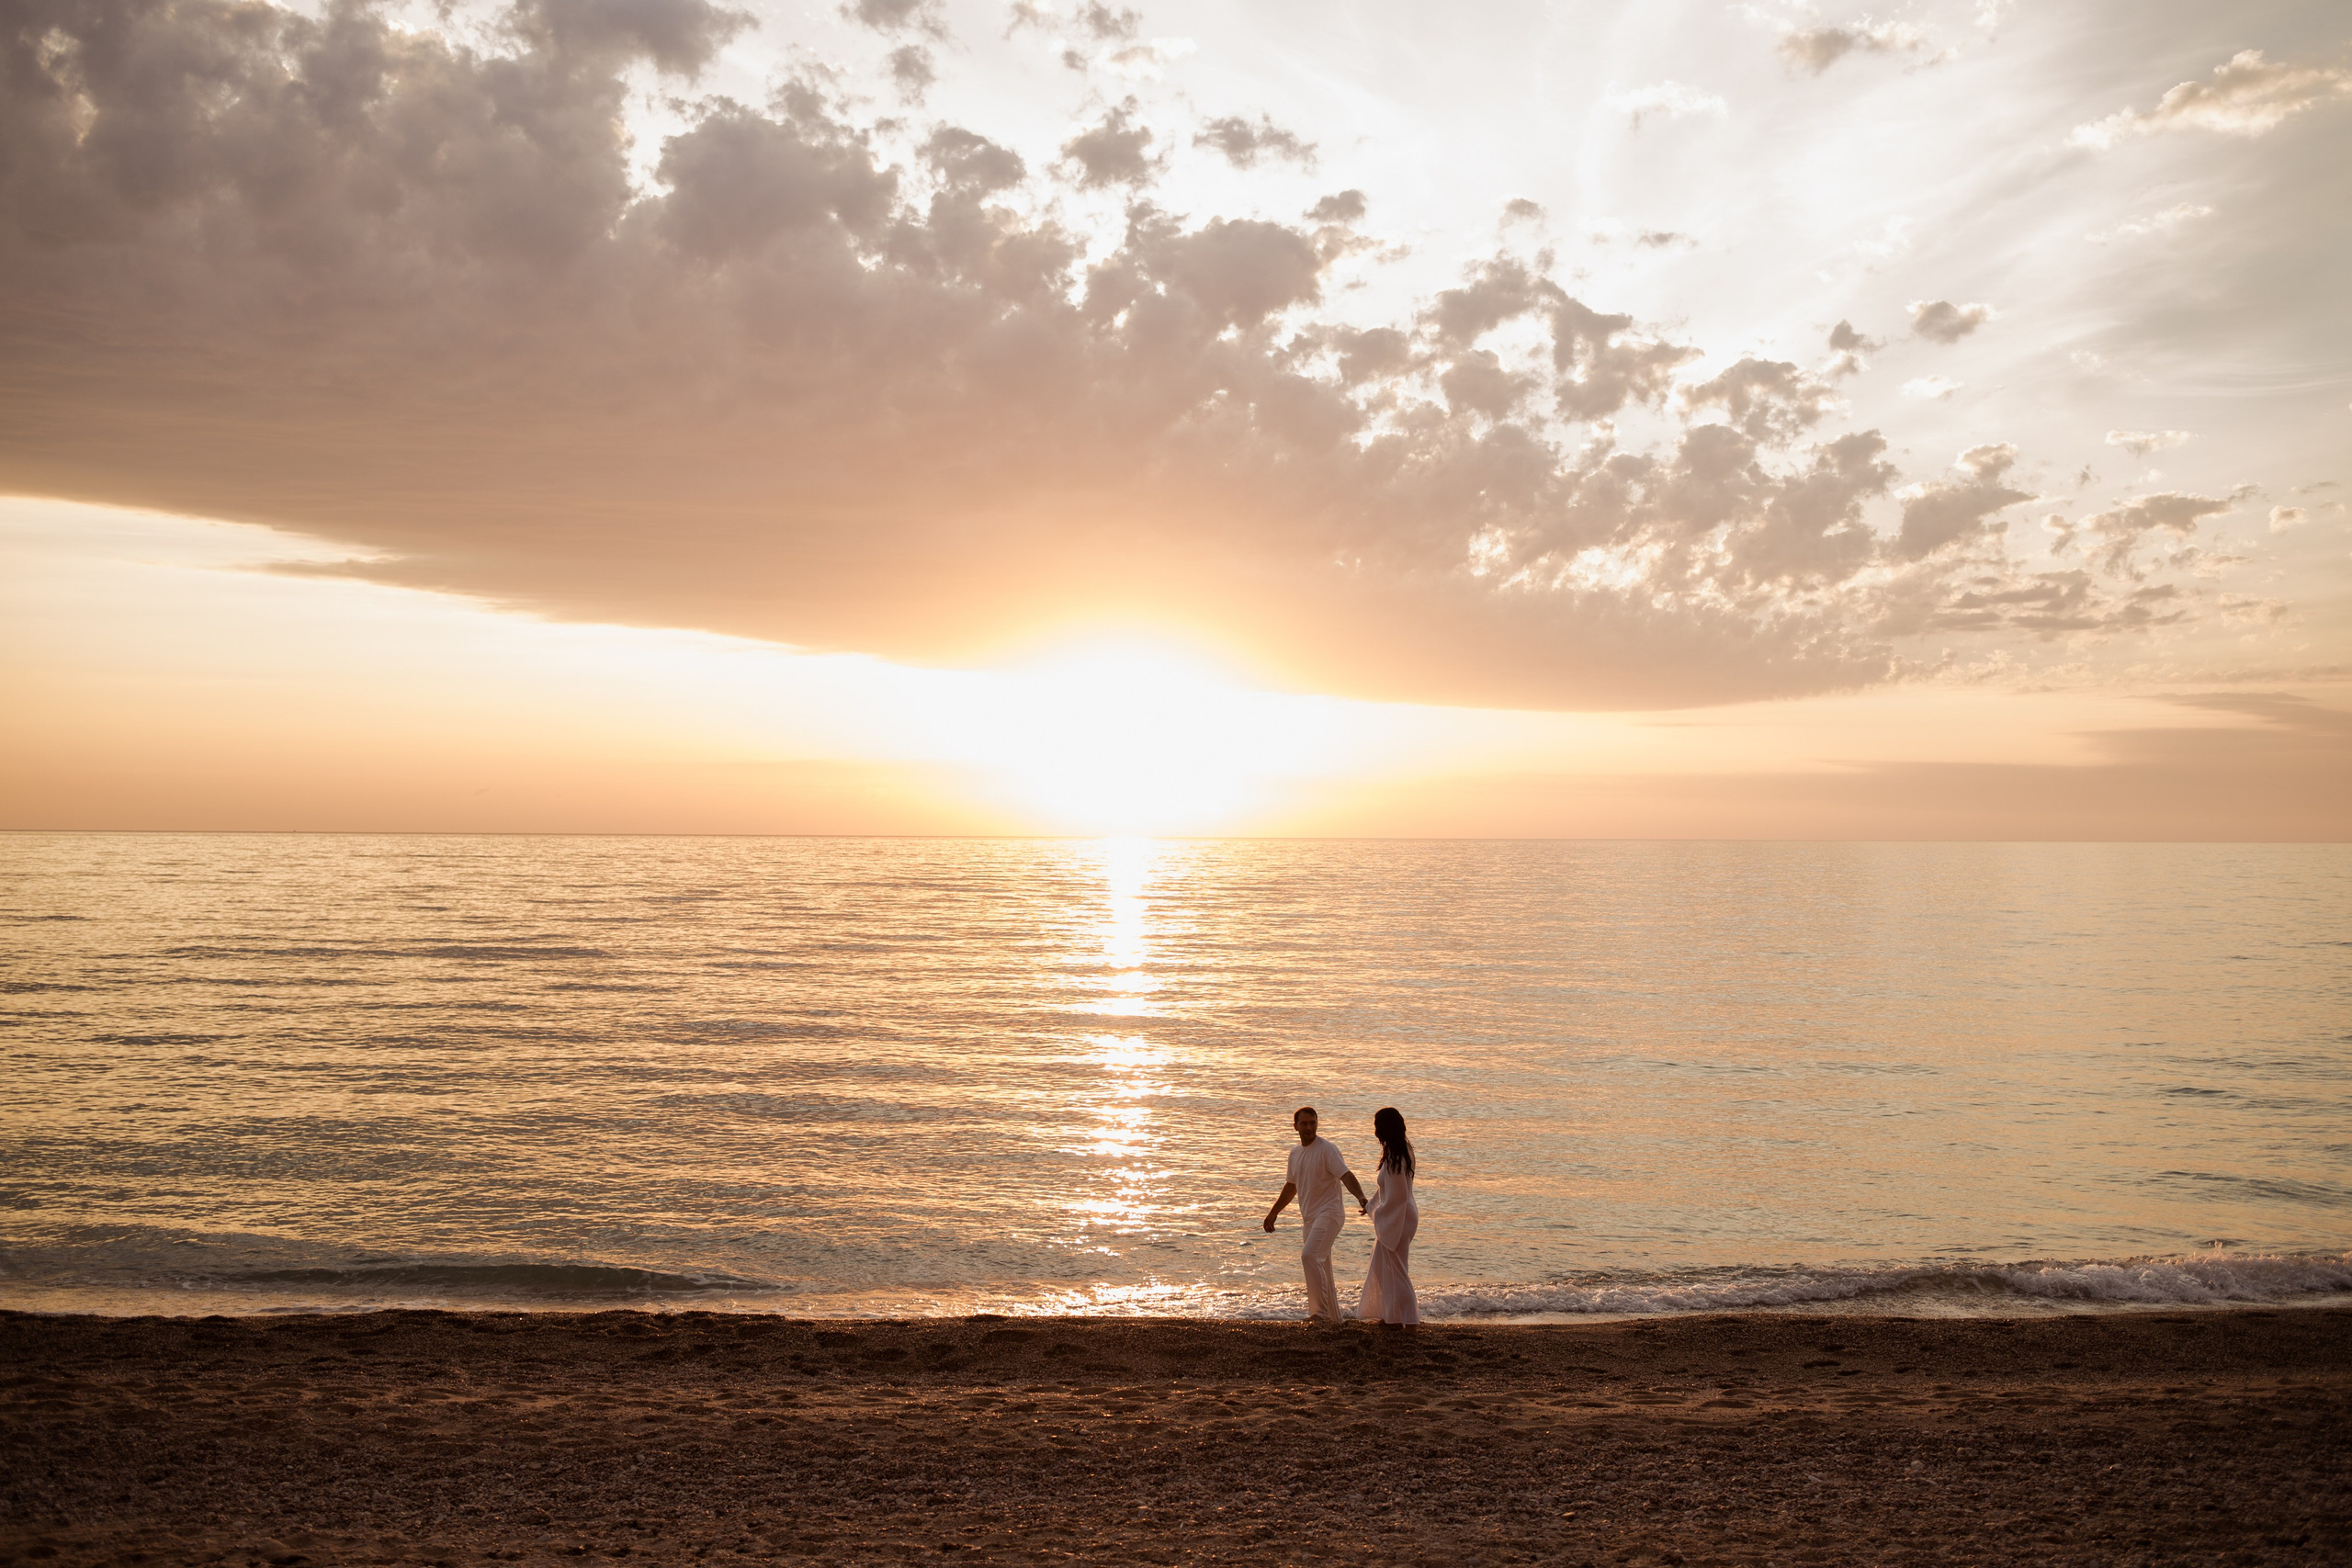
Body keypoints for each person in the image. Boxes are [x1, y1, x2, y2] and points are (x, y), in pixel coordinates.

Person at [1261, 1106, 1367, 1323]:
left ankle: (1319, 1314)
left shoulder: (1327, 1149)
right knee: (1322, 1265)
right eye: (1304, 1123)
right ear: (1295, 1127)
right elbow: (1291, 1186)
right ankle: (1334, 1319)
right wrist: (1274, 1212)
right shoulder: (1295, 1153)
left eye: (1313, 1123)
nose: (1309, 1127)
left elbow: (1345, 1175)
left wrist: (1361, 1197)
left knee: (1309, 1256)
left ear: (1318, 1123)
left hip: (1330, 1214)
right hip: (1309, 1218)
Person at [1356, 1106, 1419, 1327]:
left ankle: (1409, 1321)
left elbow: (1398, 1196)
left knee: (1398, 1271)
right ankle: (1391, 1315)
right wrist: (1371, 1205)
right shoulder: (1400, 1150)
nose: (1374, 1130)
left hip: (1400, 1217)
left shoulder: (1395, 1156)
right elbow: (1387, 1190)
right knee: (1384, 1266)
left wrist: (1379, 1213)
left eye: (1377, 1125)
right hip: (1404, 1214)